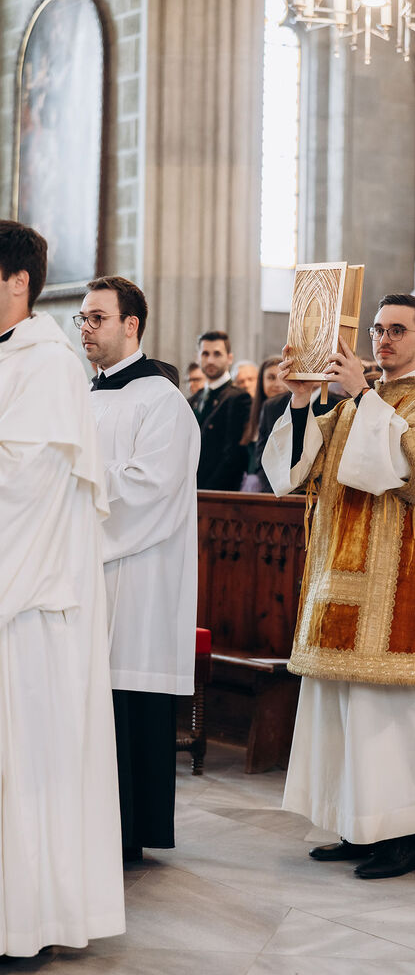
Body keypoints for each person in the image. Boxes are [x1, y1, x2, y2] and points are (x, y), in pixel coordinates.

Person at [263, 293, 415, 879]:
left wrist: (361, 396)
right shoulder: (358, 403)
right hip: (339, 578)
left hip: (399, 589)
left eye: (397, 330)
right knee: (342, 713)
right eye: (377, 329)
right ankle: (358, 826)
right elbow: (296, 471)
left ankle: (403, 840)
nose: (383, 339)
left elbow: (411, 470)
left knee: (386, 719)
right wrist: (302, 400)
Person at [0, 221, 124, 955]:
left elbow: (29, 484)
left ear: (18, 281)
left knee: (27, 766)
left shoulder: (45, 364)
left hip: (26, 603)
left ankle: (28, 921)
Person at [78, 275, 200, 862]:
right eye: (82, 318)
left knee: (127, 700)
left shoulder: (161, 400)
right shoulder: (84, 396)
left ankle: (128, 832)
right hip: (86, 571)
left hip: (137, 578)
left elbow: (150, 487)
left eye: (96, 318)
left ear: (131, 325)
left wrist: (70, 491)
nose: (85, 328)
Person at [189, 330, 251, 490]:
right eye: (205, 354)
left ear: (229, 358)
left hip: (218, 493)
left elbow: (234, 455)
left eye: (217, 354)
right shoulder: (193, 400)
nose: (210, 360)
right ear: (198, 358)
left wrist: (207, 491)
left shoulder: (238, 397)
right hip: (189, 489)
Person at [239, 355, 288, 491]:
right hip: (247, 485)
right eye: (271, 378)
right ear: (261, 381)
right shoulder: (251, 411)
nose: (278, 384)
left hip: (274, 487)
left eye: (283, 378)